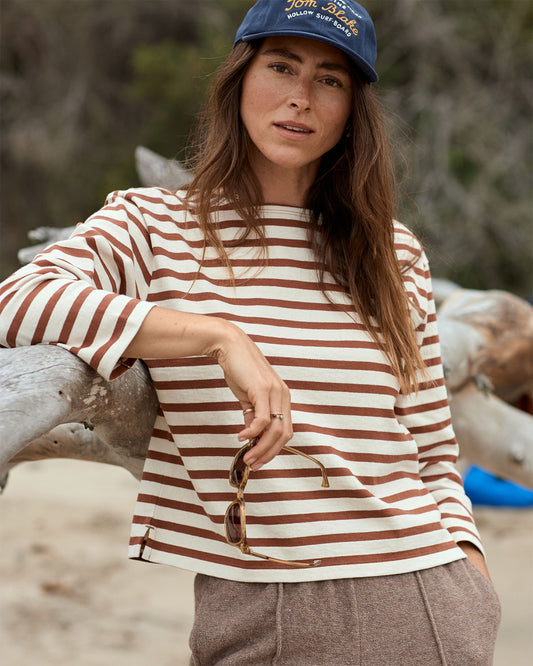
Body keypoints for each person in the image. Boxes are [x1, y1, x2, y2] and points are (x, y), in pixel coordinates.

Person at [0, 1, 501, 663]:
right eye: (281, 66)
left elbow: (431, 451)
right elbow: (20, 301)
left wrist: (470, 576)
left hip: (425, 600)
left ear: (352, 109)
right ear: (238, 79)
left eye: (329, 79)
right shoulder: (153, 224)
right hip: (251, 598)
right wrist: (218, 337)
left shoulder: (392, 252)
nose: (299, 98)